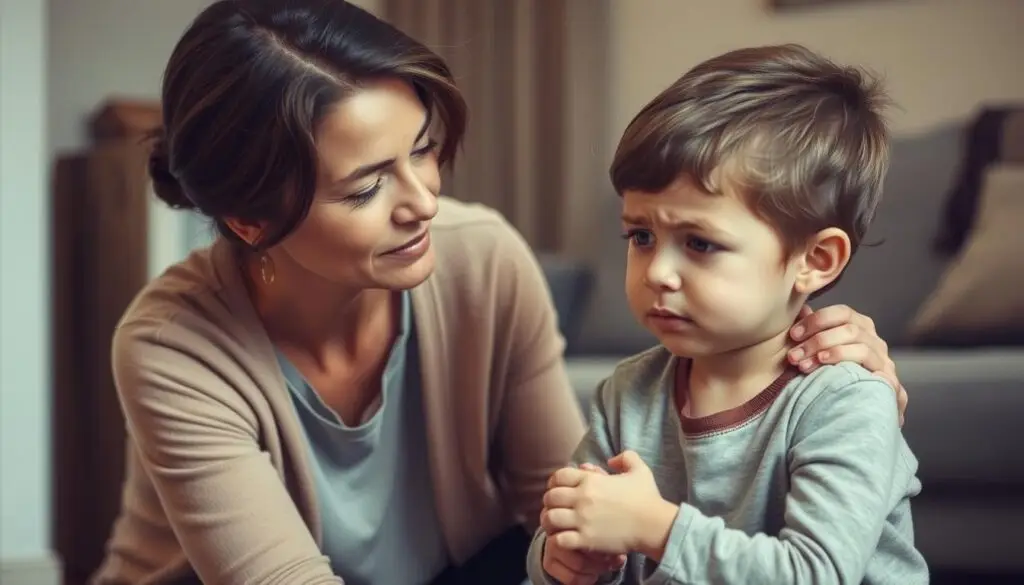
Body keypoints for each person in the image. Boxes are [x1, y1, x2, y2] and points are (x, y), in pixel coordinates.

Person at [89, 1, 909, 582]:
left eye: (424, 149)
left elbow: (557, 501)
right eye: (367, 184)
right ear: (249, 219)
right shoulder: (172, 343)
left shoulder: (479, 257)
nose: (422, 198)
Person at [527, 44, 929, 585]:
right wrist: (561, 558)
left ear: (815, 260)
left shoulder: (844, 401)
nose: (656, 273)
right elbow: (574, 533)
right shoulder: (626, 394)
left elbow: (817, 574)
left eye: (699, 243)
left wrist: (656, 528)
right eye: (641, 236)